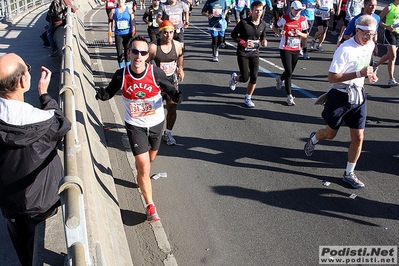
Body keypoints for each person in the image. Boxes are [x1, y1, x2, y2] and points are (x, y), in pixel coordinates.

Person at [95, 36, 182, 222]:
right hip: (135, 125)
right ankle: (150, 207)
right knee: (143, 165)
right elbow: (111, 90)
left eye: (143, 53)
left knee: (150, 159)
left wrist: (176, 95)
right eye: (135, 51)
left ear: (147, 56)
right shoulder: (121, 74)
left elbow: (168, 88)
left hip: (157, 123)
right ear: (129, 53)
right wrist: (104, 94)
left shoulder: (155, 72)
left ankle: (142, 174)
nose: (139, 56)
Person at [0, 53, 71, 266]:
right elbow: (62, 123)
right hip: (45, 199)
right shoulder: (42, 121)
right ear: (23, 81)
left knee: (23, 249)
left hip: (10, 203)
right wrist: (44, 94)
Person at [304, 15, 378, 189]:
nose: (369, 37)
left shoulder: (371, 44)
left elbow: (367, 64)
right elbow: (332, 78)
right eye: (366, 33)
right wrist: (359, 74)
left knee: (358, 137)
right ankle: (314, 138)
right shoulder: (345, 49)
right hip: (340, 95)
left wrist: (371, 74)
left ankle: (349, 173)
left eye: (373, 34)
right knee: (330, 134)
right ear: (357, 30)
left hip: (358, 95)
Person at [147, 20, 184, 145]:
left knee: (172, 107)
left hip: (171, 81)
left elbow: (180, 56)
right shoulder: (153, 47)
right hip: (156, 82)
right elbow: (145, 63)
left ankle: (168, 133)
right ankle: (151, 133)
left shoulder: (177, 45)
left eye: (171, 33)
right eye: (165, 33)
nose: (168, 36)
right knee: (154, 109)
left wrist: (180, 68)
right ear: (160, 33)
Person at [229, 1, 267, 108]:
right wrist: (243, 42)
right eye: (256, 10)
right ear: (252, 11)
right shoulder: (244, 23)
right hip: (243, 53)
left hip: (255, 53)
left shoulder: (263, 24)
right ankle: (235, 78)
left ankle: (248, 97)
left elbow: (263, 35)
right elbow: (233, 35)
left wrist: (264, 40)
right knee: (245, 78)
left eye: (260, 10)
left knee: (254, 77)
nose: (258, 13)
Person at [273, 1, 308, 106]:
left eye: (299, 10)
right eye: (296, 10)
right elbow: (274, 26)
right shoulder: (284, 18)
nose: (298, 12)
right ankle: (289, 96)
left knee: (290, 72)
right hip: (285, 47)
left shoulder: (303, 20)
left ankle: (280, 78)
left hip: (296, 48)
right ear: (291, 8)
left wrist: (299, 33)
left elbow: (306, 35)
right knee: (288, 71)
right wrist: (280, 33)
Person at [376, 0, 399, 87]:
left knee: (389, 55)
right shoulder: (389, 7)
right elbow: (378, 19)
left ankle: (375, 65)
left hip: (397, 34)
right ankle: (391, 79)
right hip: (389, 34)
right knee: (393, 56)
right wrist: (387, 26)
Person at [109, 0, 136, 69]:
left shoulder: (129, 10)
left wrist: (133, 31)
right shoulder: (114, 11)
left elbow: (133, 22)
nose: (120, 1)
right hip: (118, 34)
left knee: (127, 52)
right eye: (119, 0)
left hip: (128, 34)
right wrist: (109, 35)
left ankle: (127, 69)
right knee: (119, 53)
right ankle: (121, 69)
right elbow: (109, 22)